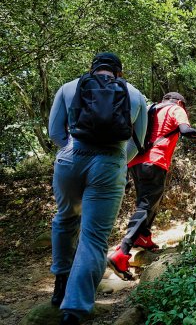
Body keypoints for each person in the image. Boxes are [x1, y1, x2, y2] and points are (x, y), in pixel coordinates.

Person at [47, 52, 147, 325]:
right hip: (110, 164)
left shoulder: (69, 87)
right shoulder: (135, 95)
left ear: (91, 69)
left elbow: (55, 133)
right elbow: (138, 142)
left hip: (71, 159)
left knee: (65, 218)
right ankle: (74, 311)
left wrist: (74, 151)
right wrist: (115, 161)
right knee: (93, 238)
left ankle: (60, 285)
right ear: (120, 73)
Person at [107, 92, 196, 280]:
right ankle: (122, 252)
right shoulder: (176, 109)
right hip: (155, 160)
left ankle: (143, 237)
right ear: (180, 101)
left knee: (150, 201)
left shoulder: (150, 108)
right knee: (146, 205)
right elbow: (185, 130)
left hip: (135, 161)